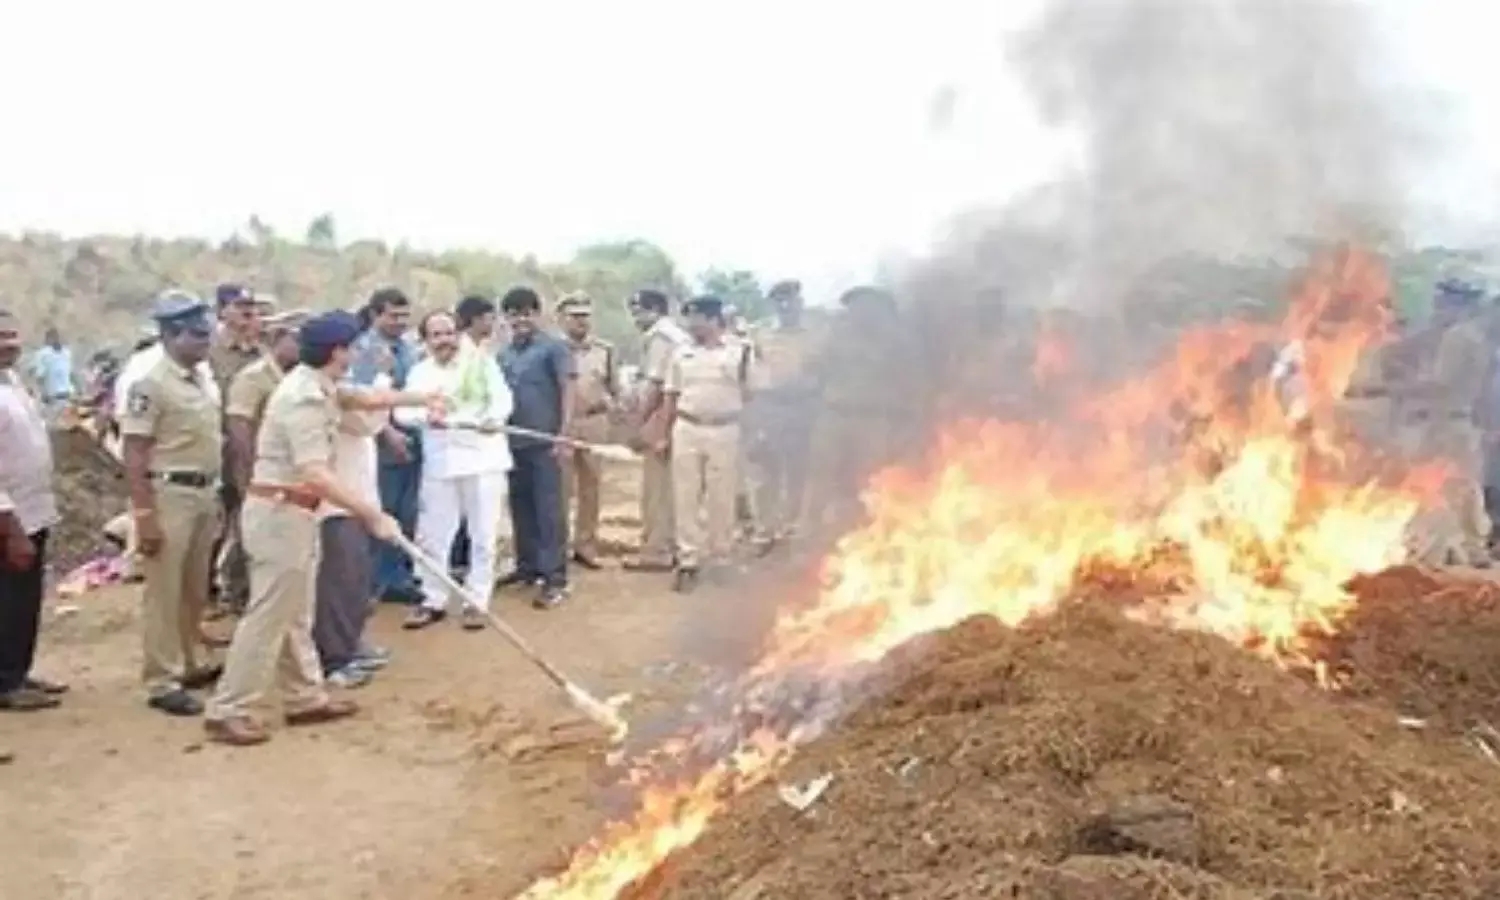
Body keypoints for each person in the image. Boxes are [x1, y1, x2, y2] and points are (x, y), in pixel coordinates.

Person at [204, 311, 433, 746]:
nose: (357, 352)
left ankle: (304, 696)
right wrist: (371, 513)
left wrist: (421, 398)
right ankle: (230, 707)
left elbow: (360, 398)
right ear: (337, 352)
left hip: (295, 513)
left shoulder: (318, 384)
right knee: (269, 614)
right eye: (352, 346)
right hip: (280, 513)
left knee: (296, 612)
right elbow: (315, 473)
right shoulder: (302, 398)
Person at [119, 291, 228, 717]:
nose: (205, 342)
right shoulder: (150, 382)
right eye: (196, 335)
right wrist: (143, 514)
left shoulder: (200, 377)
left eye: (206, 334)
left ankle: (188, 660)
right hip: (168, 495)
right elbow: (135, 451)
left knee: (193, 588)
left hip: (202, 493)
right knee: (164, 591)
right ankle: (161, 678)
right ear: (168, 334)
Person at [398, 311, 514, 630]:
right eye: (436, 335)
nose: (444, 340)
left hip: (483, 461)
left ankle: (477, 601)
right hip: (441, 462)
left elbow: (502, 400)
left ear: (458, 334)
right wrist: (425, 417)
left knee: (483, 535)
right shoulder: (419, 373)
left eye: (449, 332)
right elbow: (402, 412)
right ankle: (432, 599)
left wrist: (494, 418)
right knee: (433, 536)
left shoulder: (481, 363)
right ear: (425, 340)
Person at [663, 296, 759, 592]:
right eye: (689, 318)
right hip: (688, 426)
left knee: (722, 497)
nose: (691, 324)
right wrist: (661, 433)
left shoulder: (740, 352)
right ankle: (688, 561)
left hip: (725, 429)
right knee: (685, 496)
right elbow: (671, 394)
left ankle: (721, 559)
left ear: (713, 319)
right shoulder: (680, 353)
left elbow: (752, 393)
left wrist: (754, 432)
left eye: (696, 318)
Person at [0, 308, 68, 712]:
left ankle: (18, 671)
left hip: (34, 509)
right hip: (10, 517)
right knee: (9, 600)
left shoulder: (13, 383)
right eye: (0, 337)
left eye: (12, 335)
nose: (10, 344)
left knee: (25, 600)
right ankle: (6, 681)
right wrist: (11, 527)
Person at [1402, 280, 1493, 567]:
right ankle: (1473, 547)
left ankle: (1433, 552)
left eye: (1442, 301)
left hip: (1445, 422)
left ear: (1456, 304)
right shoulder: (1477, 337)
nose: (1437, 307)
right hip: (1463, 422)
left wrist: (1403, 387)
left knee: (1433, 483)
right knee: (1466, 487)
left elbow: (1443, 384)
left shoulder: (1457, 338)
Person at [497, 286, 575, 609]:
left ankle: (555, 578)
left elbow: (567, 389)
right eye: (514, 314)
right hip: (513, 443)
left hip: (545, 442)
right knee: (521, 506)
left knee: (549, 511)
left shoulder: (554, 349)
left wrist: (563, 434)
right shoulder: (503, 354)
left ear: (537, 314)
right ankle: (526, 567)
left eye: (527, 313)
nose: (521, 320)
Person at [350, 288, 422, 603]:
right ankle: (379, 579)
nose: (400, 322)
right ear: (376, 314)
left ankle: (400, 575)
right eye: (393, 316)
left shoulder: (407, 349)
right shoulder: (364, 349)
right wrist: (388, 433)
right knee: (382, 509)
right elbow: (363, 398)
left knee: (407, 511)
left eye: (405, 316)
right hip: (379, 442)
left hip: (413, 438)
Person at [745, 280, 819, 547]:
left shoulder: (815, 336)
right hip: (769, 408)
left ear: (800, 302)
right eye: (781, 301)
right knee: (764, 474)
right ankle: (763, 531)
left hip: (803, 409)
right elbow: (751, 375)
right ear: (774, 304)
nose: (787, 305)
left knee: (798, 472)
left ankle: (791, 529)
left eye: (791, 300)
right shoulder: (759, 335)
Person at [208, 284, 266, 615]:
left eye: (252, 306)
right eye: (240, 306)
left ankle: (239, 589)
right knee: (214, 524)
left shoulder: (261, 353)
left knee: (249, 520)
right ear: (221, 311)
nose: (248, 313)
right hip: (216, 450)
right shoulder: (208, 352)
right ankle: (205, 592)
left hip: (252, 451)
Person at [623, 289, 688, 572]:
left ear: (655, 310)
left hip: (662, 416)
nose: (635, 318)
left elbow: (655, 385)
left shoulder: (661, 338)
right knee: (671, 486)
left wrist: (639, 424)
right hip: (676, 417)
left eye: (639, 311)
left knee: (657, 487)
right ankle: (670, 544)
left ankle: (656, 549)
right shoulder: (676, 336)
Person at [557, 291, 617, 569]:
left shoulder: (605, 350)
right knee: (560, 488)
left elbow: (615, 389)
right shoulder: (553, 349)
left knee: (591, 487)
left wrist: (611, 405)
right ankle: (557, 546)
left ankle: (586, 545)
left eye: (585, 316)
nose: (581, 322)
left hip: (594, 423)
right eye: (575, 316)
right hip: (562, 424)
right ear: (562, 318)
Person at [225, 312, 306, 506]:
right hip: (262, 477)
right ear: (279, 338)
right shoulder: (253, 377)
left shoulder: (302, 378)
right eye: (297, 339)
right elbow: (240, 434)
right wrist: (249, 484)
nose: (303, 346)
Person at [27, 326, 74, 425]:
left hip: (51, 398)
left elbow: (40, 374)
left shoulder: (43, 354)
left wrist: (32, 384)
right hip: (67, 396)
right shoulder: (67, 353)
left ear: (47, 339)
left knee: (47, 427)